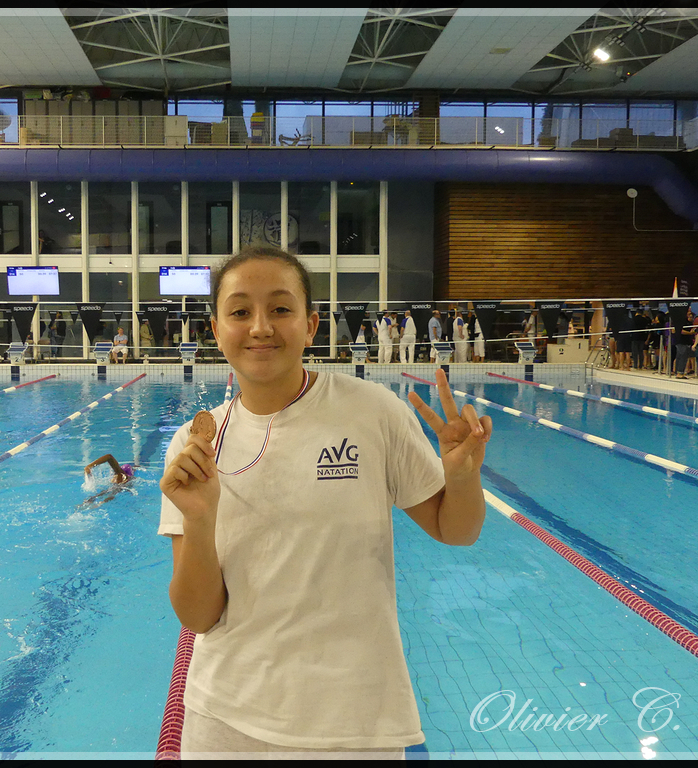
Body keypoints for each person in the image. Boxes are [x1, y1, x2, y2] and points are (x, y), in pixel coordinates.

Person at [159, 245, 491, 757]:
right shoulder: (194, 446)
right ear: (216, 330)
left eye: (280, 308)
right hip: (225, 717)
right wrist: (200, 520)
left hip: (355, 723)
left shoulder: (372, 412)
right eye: (240, 311)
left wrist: (463, 479)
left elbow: (457, 530)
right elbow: (198, 617)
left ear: (312, 325)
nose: (261, 327)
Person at [674, 310, 694, 379]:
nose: (690, 314)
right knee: (682, 357)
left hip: (686, 341)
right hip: (681, 341)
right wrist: (690, 333)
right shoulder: (681, 321)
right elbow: (679, 331)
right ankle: (680, 372)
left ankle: (678, 371)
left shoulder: (689, 321)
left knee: (681, 357)